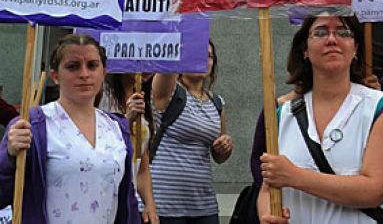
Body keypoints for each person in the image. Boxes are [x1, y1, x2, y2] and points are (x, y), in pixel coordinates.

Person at [256, 14, 383, 223]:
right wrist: (267, 213)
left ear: (355, 48)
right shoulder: (283, 114)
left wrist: (295, 176)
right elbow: (268, 186)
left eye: (342, 32)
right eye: (320, 32)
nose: (331, 39)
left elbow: (374, 191)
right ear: (305, 50)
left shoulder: (380, 108)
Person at [0, 34, 139, 222]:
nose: (84, 74)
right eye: (73, 66)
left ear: (103, 72)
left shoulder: (116, 129)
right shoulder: (32, 125)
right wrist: (9, 157)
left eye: (92, 65)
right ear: (55, 76)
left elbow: (126, 201)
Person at [151, 41, 232, 224]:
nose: (203, 59)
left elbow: (219, 157)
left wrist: (224, 147)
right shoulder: (170, 92)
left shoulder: (217, 102)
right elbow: (167, 64)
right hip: (164, 204)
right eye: (195, 53)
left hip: (203, 205)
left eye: (208, 55)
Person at [103, 73, 159, 223]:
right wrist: (126, 120)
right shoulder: (102, 96)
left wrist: (149, 203)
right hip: (104, 199)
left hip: (130, 200)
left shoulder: (143, 97)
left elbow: (142, 165)